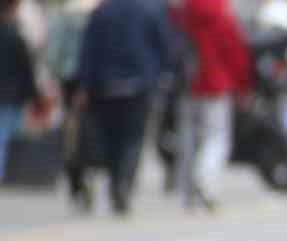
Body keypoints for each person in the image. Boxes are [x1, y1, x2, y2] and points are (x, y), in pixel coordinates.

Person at [75, 0, 170, 215]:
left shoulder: (101, 12)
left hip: (105, 85)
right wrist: (159, 74)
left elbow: (88, 50)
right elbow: (164, 47)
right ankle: (123, 184)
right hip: (138, 84)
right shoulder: (149, 11)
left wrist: (85, 84)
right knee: (132, 140)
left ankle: (116, 183)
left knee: (111, 138)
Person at [175, 0, 251, 210]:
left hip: (189, 83)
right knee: (216, 137)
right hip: (216, 83)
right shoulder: (222, 17)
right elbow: (235, 52)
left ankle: (188, 188)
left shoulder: (183, 14)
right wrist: (242, 84)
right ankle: (207, 183)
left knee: (189, 138)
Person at [44, 0, 94, 209]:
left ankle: (77, 175)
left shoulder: (62, 15)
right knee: (86, 129)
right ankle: (82, 173)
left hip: (68, 79)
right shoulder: (97, 13)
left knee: (72, 130)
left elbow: (53, 53)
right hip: (92, 81)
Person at [0, 0, 40, 182]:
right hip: (10, 95)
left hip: (10, 94)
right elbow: (26, 70)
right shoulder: (16, 37)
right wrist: (34, 96)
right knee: (4, 135)